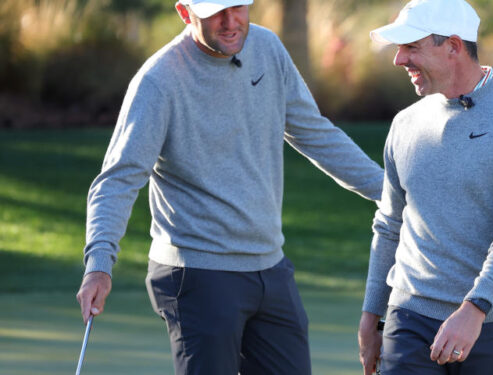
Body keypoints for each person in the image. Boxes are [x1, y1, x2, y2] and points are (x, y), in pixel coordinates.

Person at [75, 0, 383, 374]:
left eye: (238, 7)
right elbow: (118, 180)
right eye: (215, 12)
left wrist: (390, 194)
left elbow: (316, 133)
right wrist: (99, 264)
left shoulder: (267, 49)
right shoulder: (159, 81)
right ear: (185, 13)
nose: (230, 21)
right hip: (198, 274)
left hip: (270, 267)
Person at [357, 0, 493, 374]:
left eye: (411, 47)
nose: (398, 59)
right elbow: (389, 225)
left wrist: (475, 309)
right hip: (409, 322)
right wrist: (372, 313)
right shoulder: (405, 123)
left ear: (453, 46)